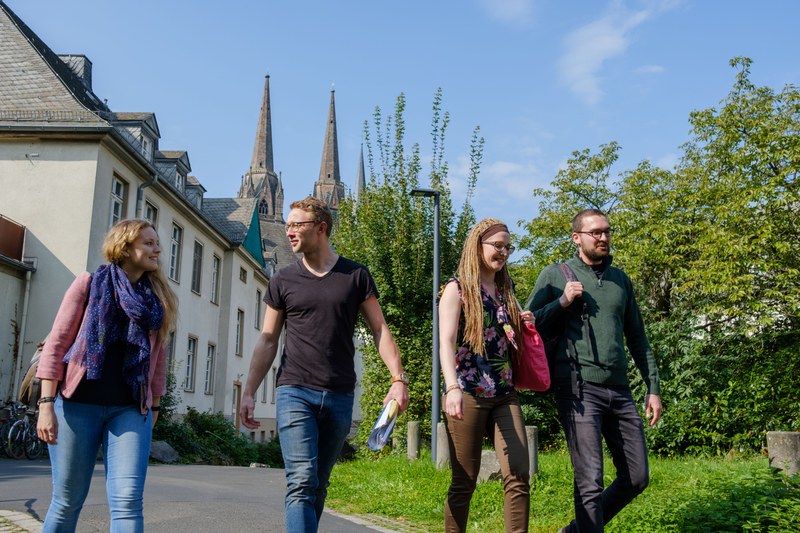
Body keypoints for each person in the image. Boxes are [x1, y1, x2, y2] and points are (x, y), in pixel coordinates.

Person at [239, 196, 409, 533]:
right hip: (294, 390)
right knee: (301, 481)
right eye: (287, 225)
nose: (288, 232)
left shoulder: (356, 275)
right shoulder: (283, 280)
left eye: (296, 225)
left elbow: (379, 330)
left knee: (318, 483)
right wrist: (249, 391)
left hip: (339, 394)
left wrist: (398, 380)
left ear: (321, 228)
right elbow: (268, 339)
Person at [36, 218, 178, 533]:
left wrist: (155, 406)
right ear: (125, 248)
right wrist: (46, 404)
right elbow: (57, 344)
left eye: (157, 243)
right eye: (149, 243)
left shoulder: (156, 300)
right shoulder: (88, 284)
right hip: (76, 406)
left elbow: (158, 360)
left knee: (128, 501)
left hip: (129, 409)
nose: (158, 249)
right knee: (67, 500)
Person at [526, 208, 662, 533]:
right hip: (576, 387)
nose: (603, 237)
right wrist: (561, 303)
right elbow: (526, 324)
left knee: (637, 476)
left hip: (620, 389)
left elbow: (638, 336)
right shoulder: (555, 274)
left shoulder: (620, 280)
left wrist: (653, 386)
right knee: (589, 481)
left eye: (607, 231)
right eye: (595, 232)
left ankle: (574, 531)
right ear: (577, 238)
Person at [439, 218, 533, 533]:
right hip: (467, 393)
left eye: (508, 247)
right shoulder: (456, 289)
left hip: (504, 392)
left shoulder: (506, 289)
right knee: (464, 480)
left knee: (519, 472)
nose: (503, 252)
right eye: (497, 246)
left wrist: (522, 320)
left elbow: (505, 334)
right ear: (478, 246)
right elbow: (446, 342)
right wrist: (451, 388)